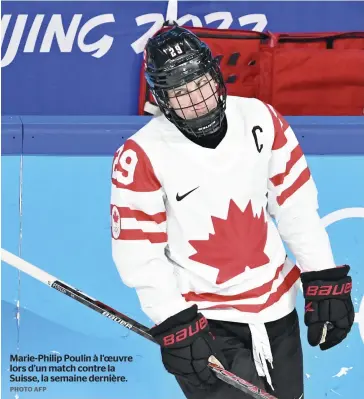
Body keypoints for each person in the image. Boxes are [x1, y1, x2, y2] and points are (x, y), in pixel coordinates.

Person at [110, 25, 354, 399]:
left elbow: (296, 205)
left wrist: (321, 275)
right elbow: (138, 253)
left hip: (278, 308)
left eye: (201, 83)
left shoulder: (260, 118)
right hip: (205, 322)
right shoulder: (141, 154)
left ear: (216, 76)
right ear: (162, 98)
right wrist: (173, 319)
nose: (197, 100)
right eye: (180, 92)